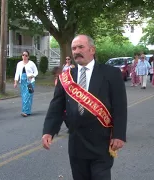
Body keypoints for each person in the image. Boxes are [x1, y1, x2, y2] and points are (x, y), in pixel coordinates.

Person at [42, 34, 127, 180]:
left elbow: (120, 106)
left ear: (92, 50)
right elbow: (56, 106)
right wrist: (49, 131)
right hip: (77, 141)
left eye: (81, 47)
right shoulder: (66, 77)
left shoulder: (111, 73)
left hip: (101, 141)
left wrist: (119, 135)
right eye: (74, 48)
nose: (76, 51)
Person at [14, 50, 38, 117]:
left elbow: (36, 72)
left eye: (26, 55)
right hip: (23, 82)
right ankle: (27, 111)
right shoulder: (19, 64)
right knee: (24, 96)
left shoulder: (31, 63)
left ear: (28, 57)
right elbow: (17, 74)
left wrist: (32, 76)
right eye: (23, 55)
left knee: (28, 96)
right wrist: (15, 82)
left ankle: (25, 111)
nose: (24, 56)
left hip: (30, 82)